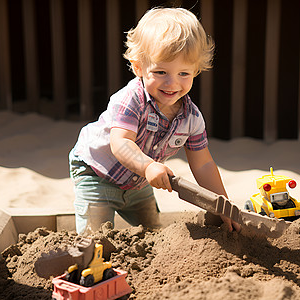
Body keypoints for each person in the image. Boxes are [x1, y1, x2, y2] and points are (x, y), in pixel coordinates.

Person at [69, 7, 241, 234]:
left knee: (152, 232)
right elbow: (120, 143)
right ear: (139, 67)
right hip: (97, 173)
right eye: (161, 72)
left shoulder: (192, 118)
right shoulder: (131, 99)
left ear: (196, 71)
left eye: (183, 74)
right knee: (95, 239)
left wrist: (223, 205)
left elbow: (203, 164)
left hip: (138, 183)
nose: (172, 83)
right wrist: (149, 165)